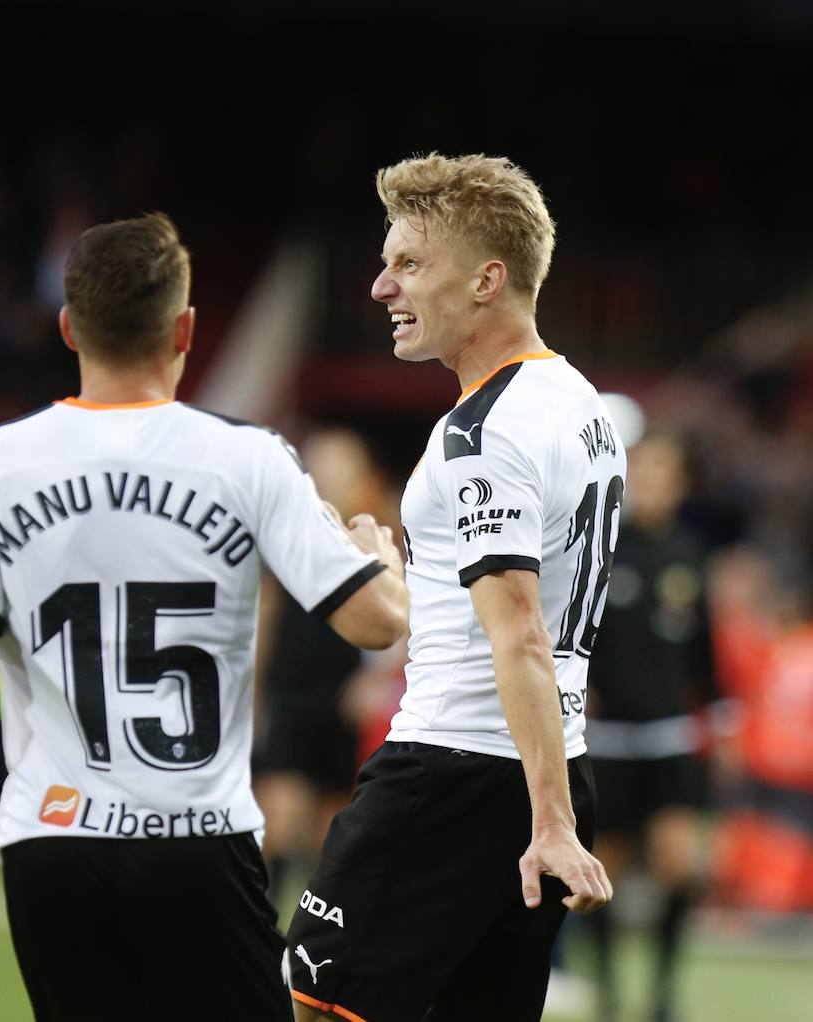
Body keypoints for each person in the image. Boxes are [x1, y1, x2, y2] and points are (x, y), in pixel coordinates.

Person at [0, 212, 409, 1020]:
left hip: (51, 839)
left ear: (68, 327)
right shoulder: (246, 458)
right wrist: (382, 560)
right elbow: (375, 623)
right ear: (185, 328)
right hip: (194, 839)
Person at [287, 154, 620, 1022]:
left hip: (455, 773)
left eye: (407, 264)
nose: (379, 286)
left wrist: (549, 825)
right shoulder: (580, 403)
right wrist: (404, 574)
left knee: (321, 1000)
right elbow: (510, 610)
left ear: (487, 279)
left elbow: (519, 634)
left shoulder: (484, 432)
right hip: (546, 763)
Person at [585, 433, 722, 1022]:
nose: (652, 483)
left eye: (664, 472)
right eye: (641, 472)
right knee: (598, 875)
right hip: (607, 739)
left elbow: (705, 655)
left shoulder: (690, 557)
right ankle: (610, 993)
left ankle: (663, 994)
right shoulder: (599, 548)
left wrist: (721, 719)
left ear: (681, 484)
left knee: (679, 864)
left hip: (670, 736)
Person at [253, 427, 403, 902]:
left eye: (340, 462)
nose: (329, 472)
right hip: (292, 692)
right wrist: (253, 689)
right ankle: (264, 930)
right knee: (278, 818)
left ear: (362, 474)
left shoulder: (377, 534)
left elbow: (404, 613)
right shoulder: (287, 530)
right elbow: (268, 614)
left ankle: (317, 936)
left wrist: (373, 680)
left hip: (344, 697)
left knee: (331, 829)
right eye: (321, 462)